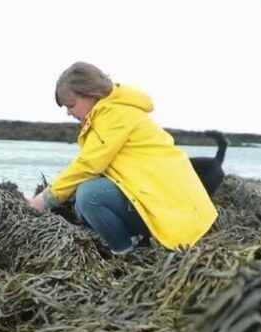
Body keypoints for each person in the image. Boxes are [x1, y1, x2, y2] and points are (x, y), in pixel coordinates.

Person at [27, 61, 217, 255]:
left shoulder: (113, 114)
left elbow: (87, 165)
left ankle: (124, 251)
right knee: (82, 203)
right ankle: (135, 238)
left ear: (90, 93)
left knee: (90, 196)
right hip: (166, 199)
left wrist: (45, 199)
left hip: (170, 207)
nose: (68, 113)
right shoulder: (114, 110)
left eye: (71, 105)